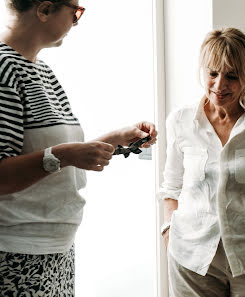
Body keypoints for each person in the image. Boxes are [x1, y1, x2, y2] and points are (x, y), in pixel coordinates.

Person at [0, 1, 157, 296]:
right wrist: (65, 155)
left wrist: (113, 138)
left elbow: (49, 154)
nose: (76, 20)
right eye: (76, 10)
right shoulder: (3, 69)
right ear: (44, 10)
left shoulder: (42, 71)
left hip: (56, 249)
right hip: (16, 253)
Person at [158, 27, 245, 297]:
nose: (219, 86)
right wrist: (168, 232)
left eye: (231, 76)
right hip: (192, 259)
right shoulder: (180, 120)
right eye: (212, 74)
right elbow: (171, 187)